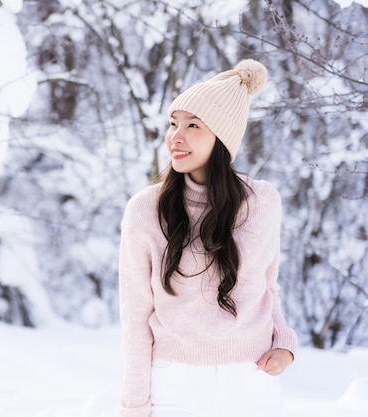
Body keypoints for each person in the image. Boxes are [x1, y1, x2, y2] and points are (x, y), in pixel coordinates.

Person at [118, 59, 298, 417]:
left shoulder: (261, 202)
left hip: (253, 382)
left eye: (193, 125)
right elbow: (136, 317)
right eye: (173, 123)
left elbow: (267, 287)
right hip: (174, 386)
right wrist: (134, 406)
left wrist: (285, 345)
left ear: (222, 136)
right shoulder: (145, 210)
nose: (176, 136)